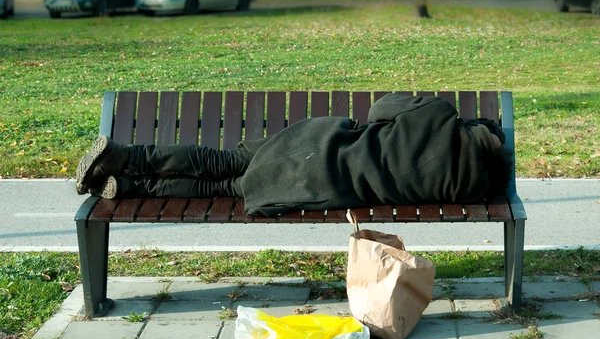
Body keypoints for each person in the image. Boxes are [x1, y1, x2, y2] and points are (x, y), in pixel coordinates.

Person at [76, 93, 513, 216]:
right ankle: (132, 185)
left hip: (318, 148)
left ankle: (123, 154)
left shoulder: (438, 114)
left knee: (221, 161)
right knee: (230, 185)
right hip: (323, 187)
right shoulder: (468, 185)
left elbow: (381, 109)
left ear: (476, 129)